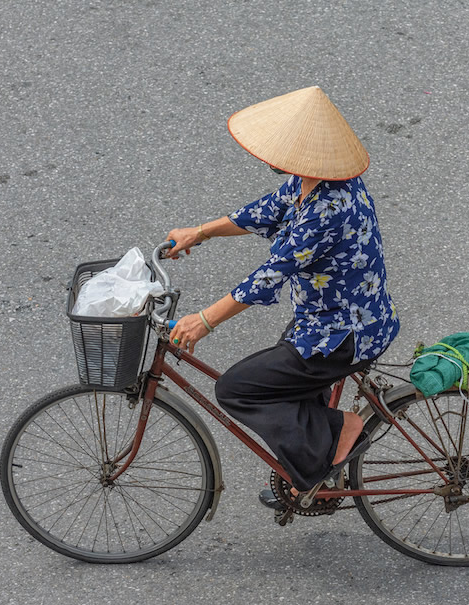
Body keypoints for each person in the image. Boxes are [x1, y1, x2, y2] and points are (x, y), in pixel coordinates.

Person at [165, 86, 400, 508]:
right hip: (339, 318)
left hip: (341, 335)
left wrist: (204, 320)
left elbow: (270, 275)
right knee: (278, 378)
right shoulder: (315, 180)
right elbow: (262, 211)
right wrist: (199, 232)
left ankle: (339, 432)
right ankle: (311, 470)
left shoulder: (327, 209)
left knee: (238, 389)